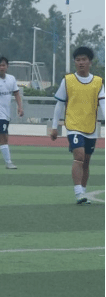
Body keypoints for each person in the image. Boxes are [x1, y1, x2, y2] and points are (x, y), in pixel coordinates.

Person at [50, 46, 104, 204]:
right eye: (78, 60)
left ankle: (83, 192)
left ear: (90, 62)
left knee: (86, 161)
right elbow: (59, 104)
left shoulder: (98, 82)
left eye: (84, 59)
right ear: (75, 62)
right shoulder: (67, 81)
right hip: (73, 126)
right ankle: (78, 192)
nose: (81, 62)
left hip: (90, 127)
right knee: (79, 157)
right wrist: (54, 126)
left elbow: (103, 104)